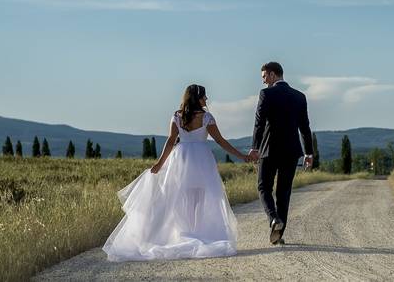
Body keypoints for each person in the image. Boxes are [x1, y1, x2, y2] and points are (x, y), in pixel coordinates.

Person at [103, 84, 250, 261]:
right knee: (200, 197)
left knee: (182, 197)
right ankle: (194, 234)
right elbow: (220, 141)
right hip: (201, 159)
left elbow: (171, 141)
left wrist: (160, 163)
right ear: (197, 98)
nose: (206, 99)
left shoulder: (177, 116)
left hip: (182, 158)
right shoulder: (207, 117)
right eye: (204, 96)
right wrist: (241, 155)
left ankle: (186, 233)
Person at [248, 61, 314, 245]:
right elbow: (305, 128)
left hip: (269, 150)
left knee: (263, 187)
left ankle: (273, 218)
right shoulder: (299, 96)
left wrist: (255, 147)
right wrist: (309, 153)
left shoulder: (266, 94)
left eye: (264, 77)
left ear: (272, 74)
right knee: (284, 192)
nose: (263, 82)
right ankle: (279, 233)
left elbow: (259, 123)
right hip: (291, 151)